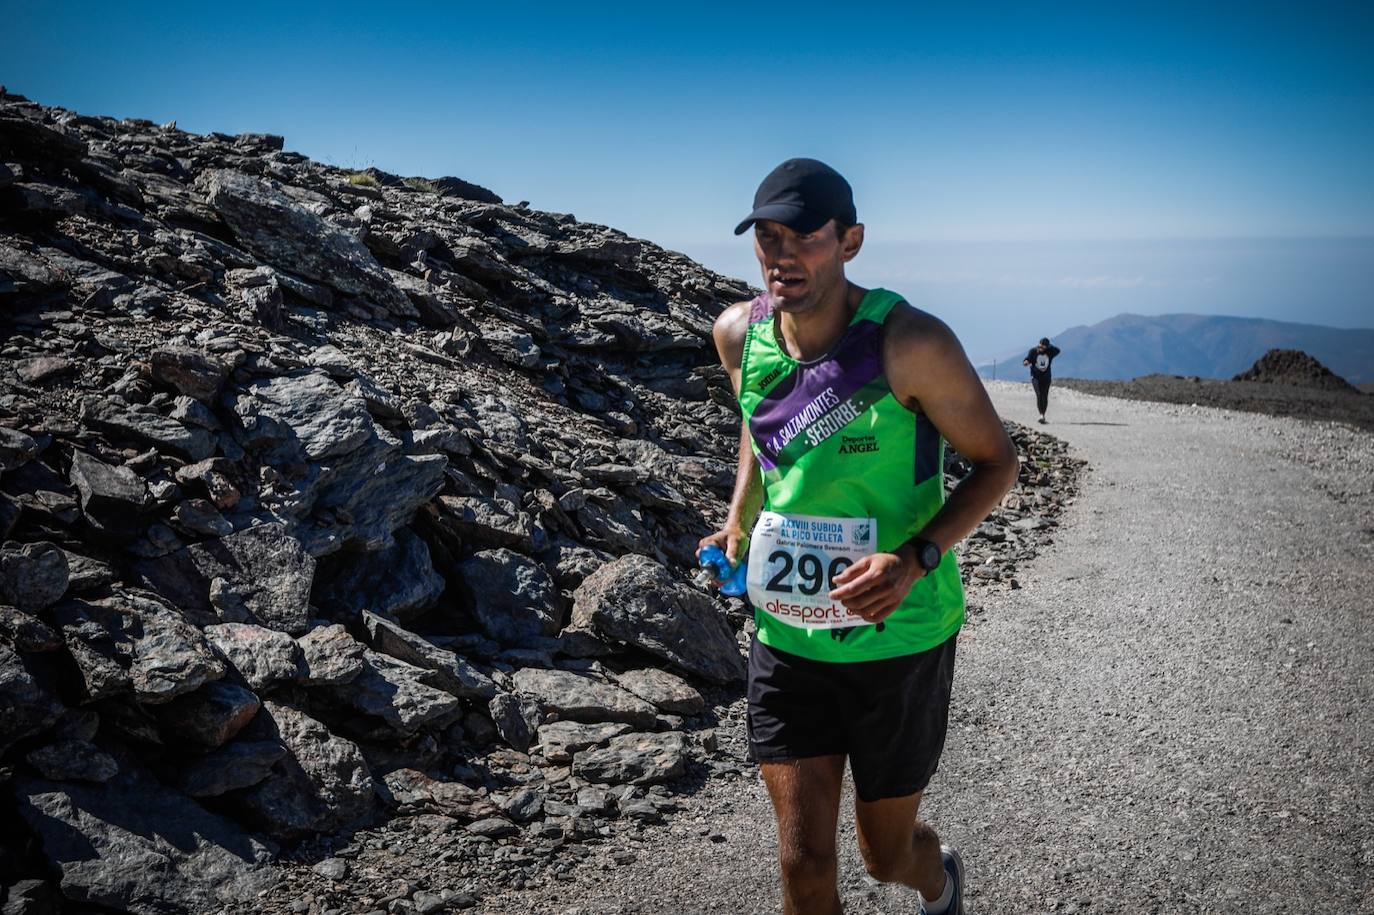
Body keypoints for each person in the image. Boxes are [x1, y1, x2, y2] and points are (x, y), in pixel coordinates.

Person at [698, 158, 1019, 915]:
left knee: (885, 854)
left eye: (805, 236)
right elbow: (760, 425)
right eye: (768, 237)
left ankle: (938, 880)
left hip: (900, 635)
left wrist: (915, 558)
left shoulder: (909, 342)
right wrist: (740, 517)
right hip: (788, 635)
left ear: (851, 241)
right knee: (804, 863)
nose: (783, 255)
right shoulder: (738, 335)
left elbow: (997, 463)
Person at [1023, 337, 1061, 423]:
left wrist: (1049, 347)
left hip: (1046, 377)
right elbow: (1028, 358)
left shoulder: (1050, 352)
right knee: (1039, 394)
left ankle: (1043, 414)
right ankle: (1041, 415)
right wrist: (1026, 362)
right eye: (1040, 346)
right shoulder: (1033, 351)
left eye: (1044, 347)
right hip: (1035, 377)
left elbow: (1058, 350)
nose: (1042, 348)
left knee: (1045, 395)